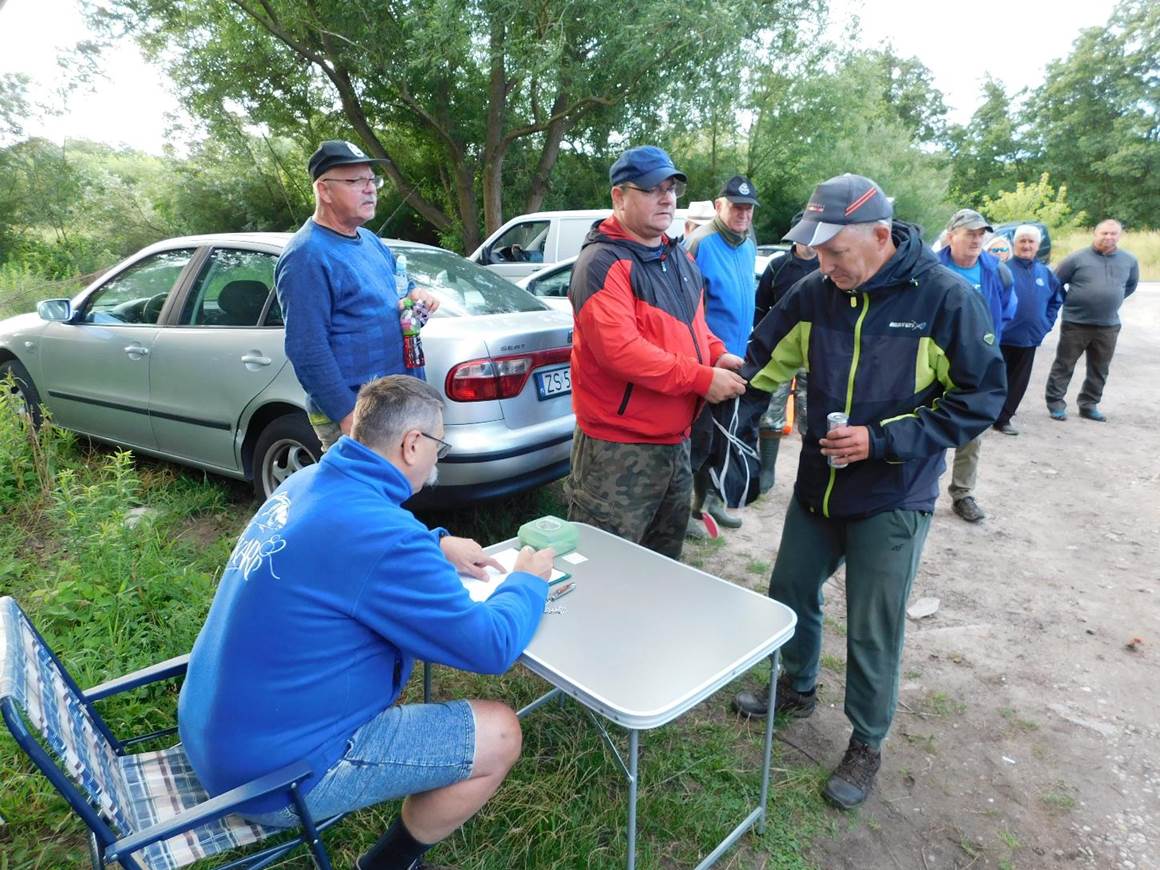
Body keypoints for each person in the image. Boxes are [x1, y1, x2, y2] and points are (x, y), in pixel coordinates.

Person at [178, 375, 553, 870]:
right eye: (438, 444)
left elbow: (344, 547)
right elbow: (490, 647)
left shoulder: (304, 482)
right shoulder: (383, 538)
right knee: (501, 733)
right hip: (275, 777)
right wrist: (527, 581)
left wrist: (436, 543)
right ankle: (387, 865)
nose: (437, 457)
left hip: (218, 735)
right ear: (412, 444)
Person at [730, 174, 1006, 810]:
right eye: (818, 254)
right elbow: (762, 362)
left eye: (836, 253)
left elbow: (979, 398)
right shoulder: (817, 292)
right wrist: (720, 393)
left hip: (894, 491)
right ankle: (796, 688)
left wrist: (881, 440)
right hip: (820, 486)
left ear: (882, 236)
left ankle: (866, 740)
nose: (824, 266)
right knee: (790, 590)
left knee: (872, 626)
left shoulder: (944, 300)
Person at [566, 145, 746, 559]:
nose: (666, 197)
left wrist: (717, 355)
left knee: (663, 566)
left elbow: (696, 327)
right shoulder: (601, 264)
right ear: (619, 197)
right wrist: (702, 378)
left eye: (671, 188)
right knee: (605, 568)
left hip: (676, 443)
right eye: (651, 189)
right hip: (617, 451)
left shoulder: (677, 257)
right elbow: (621, 352)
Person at [275, 140, 440, 451]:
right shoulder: (306, 255)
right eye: (356, 181)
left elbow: (399, 283)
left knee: (397, 496)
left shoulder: (369, 240)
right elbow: (306, 348)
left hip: (398, 406)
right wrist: (349, 416)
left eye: (371, 180)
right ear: (324, 190)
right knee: (359, 498)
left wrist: (415, 291)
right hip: (361, 415)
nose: (370, 189)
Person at [685, 175, 760, 531]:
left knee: (723, 439)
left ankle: (710, 503)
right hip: (705, 363)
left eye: (748, 208)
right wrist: (706, 357)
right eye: (736, 206)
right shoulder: (700, 244)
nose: (743, 213)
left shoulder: (748, 244)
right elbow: (685, 310)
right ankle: (684, 512)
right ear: (719, 206)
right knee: (698, 439)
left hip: (737, 359)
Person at [937, 209, 1016, 523]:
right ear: (951, 234)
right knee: (928, 423)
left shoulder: (996, 271)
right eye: (969, 233)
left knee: (973, 431)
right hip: (935, 360)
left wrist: (988, 343)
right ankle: (919, 490)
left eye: (981, 233)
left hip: (979, 363)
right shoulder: (930, 267)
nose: (976, 239)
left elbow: (1007, 310)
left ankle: (963, 494)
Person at [1044, 219, 1139, 422]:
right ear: (1095, 234)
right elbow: (1055, 282)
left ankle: (1089, 404)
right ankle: (1056, 403)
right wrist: (1070, 300)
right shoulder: (1076, 259)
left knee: (1099, 368)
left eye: (1113, 234)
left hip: (1108, 326)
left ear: (1119, 236)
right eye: (1104, 233)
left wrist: (1111, 298)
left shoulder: (1129, 261)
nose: (1109, 237)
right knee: (1064, 364)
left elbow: (1129, 286)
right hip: (1076, 323)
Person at [754, 213, 819, 493]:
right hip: (779, 351)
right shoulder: (778, 266)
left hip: (815, 355)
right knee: (771, 414)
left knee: (812, 416)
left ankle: (809, 473)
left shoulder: (827, 265)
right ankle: (767, 470)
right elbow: (760, 308)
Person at [993, 225, 1064, 435]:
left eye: (1030, 242)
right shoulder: (1002, 269)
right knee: (993, 379)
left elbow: (1055, 301)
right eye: (1022, 241)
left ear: (1037, 246)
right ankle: (985, 415)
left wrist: (1045, 325)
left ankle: (1003, 418)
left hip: (1028, 339)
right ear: (1014, 244)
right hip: (1001, 337)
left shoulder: (1046, 273)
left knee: (1017, 382)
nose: (1026, 245)